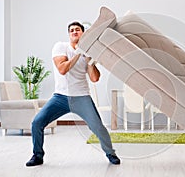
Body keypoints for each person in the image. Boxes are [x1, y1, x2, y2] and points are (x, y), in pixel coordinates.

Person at [26, 21, 120, 166]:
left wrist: (89, 60)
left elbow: (94, 78)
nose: (74, 32)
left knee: (98, 127)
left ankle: (111, 154)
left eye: (78, 30)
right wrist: (78, 53)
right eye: (72, 30)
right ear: (69, 34)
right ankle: (37, 155)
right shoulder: (61, 47)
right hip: (60, 97)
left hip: (82, 97)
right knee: (37, 122)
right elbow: (62, 69)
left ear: (83, 34)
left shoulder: (88, 53)